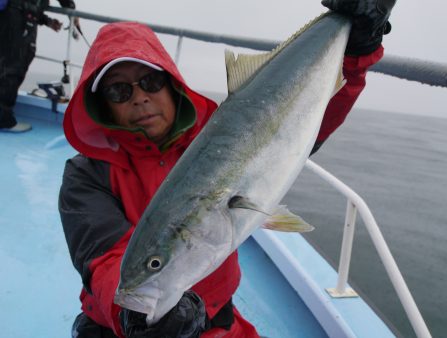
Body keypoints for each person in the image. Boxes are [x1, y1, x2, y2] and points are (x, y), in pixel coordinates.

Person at [59, 0, 396, 337]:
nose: (139, 98)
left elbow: (307, 123)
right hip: (121, 328)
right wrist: (129, 316)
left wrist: (357, 50)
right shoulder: (86, 175)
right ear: (103, 104)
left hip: (215, 321)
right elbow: (105, 257)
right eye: (119, 91)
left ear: (170, 84)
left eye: (150, 82)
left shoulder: (218, 135)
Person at [0, 0, 80, 133]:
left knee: (7, 61)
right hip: (18, 17)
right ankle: (4, 120)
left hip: (15, 14)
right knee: (14, 66)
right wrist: (72, 10)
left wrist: (46, 20)